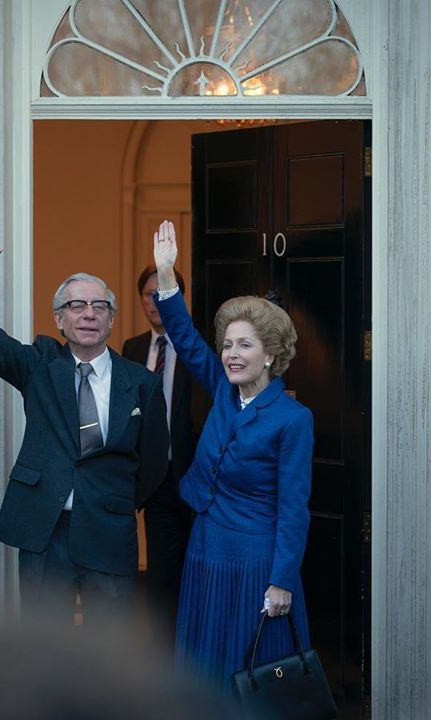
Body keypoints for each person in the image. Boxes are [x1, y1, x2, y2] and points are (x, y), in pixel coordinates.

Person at [0, 221, 169, 623]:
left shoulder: (140, 383)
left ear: (111, 319)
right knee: (42, 643)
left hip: (108, 527)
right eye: (76, 306)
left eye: (99, 306)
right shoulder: (39, 366)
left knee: (110, 648)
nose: (88, 314)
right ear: (59, 320)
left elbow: (153, 463)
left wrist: (113, 497)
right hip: (44, 529)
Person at [150, 220, 315, 689]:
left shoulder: (292, 418)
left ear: (271, 355)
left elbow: (293, 507)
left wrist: (282, 580)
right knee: (205, 663)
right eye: (227, 345)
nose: (231, 354)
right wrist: (166, 273)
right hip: (206, 546)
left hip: (255, 561)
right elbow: (183, 334)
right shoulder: (224, 389)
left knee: (250, 670)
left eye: (245, 345)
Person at [121, 264, 195, 640]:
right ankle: (163, 657)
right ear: (140, 300)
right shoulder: (132, 349)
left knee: (197, 574)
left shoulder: (200, 350)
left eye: (163, 292)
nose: (155, 301)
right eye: (148, 294)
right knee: (161, 576)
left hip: (197, 479)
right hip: (155, 481)